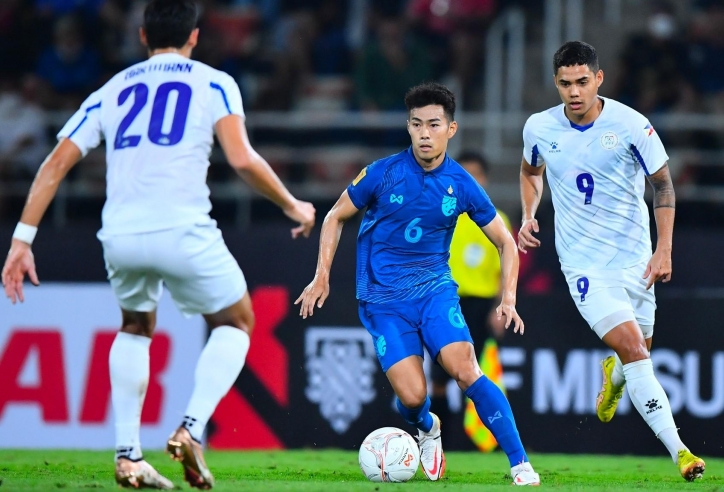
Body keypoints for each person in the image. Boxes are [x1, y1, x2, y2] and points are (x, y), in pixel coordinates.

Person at [1, 0, 315, 489]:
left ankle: (128, 456)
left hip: (120, 234)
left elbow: (54, 165)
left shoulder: (110, 89)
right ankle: (191, 430)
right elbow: (242, 158)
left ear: (143, 36)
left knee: (134, 325)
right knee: (236, 321)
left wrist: (22, 240)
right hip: (183, 228)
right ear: (194, 37)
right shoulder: (214, 82)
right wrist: (293, 205)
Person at [296, 82, 540, 486]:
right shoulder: (382, 173)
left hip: (434, 291)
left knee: (466, 369)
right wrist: (322, 275)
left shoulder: (461, 184)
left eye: (434, 124)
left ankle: (520, 463)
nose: (425, 133)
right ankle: (428, 427)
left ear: (451, 129)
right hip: (382, 300)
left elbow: (505, 243)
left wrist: (508, 298)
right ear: (408, 127)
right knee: (411, 398)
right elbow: (334, 217)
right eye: (416, 124)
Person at [518, 41, 704, 482]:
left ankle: (614, 377)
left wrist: (664, 249)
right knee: (638, 352)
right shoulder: (539, 127)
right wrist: (527, 214)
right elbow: (530, 172)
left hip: (637, 259)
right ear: (556, 83)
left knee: (635, 355)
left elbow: (663, 187)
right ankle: (681, 452)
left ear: (599, 79)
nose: (574, 92)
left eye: (582, 82)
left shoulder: (631, 125)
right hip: (584, 265)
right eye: (565, 84)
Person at [431, 150, 511, 451]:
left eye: (476, 174)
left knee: (475, 377)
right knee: (438, 378)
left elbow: (504, 269)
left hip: (478, 305)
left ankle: (482, 443)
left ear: (484, 179)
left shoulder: (495, 220)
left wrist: (501, 307)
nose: (469, 179)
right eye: (464, 173)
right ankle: (439, 444)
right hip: (443, 301)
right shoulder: (440, 213)